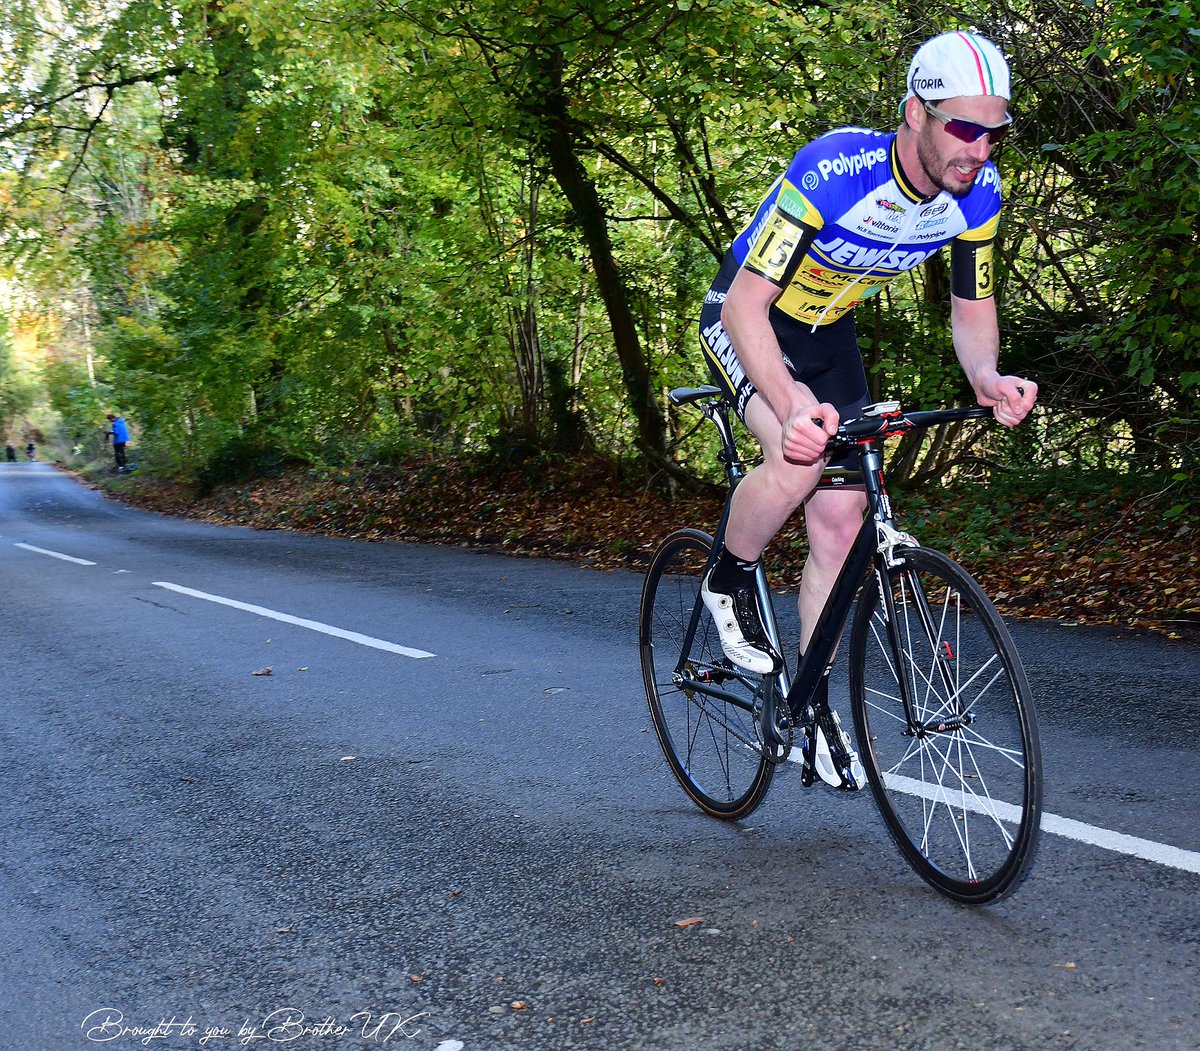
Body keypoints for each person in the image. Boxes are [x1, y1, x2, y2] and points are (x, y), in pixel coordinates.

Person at [697, 31, 1038, 789]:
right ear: (916, 112)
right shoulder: (833, 169)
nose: (980, 149)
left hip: (828, 333)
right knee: (801, 457)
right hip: (747, 317)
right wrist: (788, 407)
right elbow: (750, 303)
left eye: (995, 131)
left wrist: (985, 373)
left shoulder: (976, 194)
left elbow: (972, 304)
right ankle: (726, 575)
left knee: (843, 524)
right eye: (964, 128)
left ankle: (810, 702)